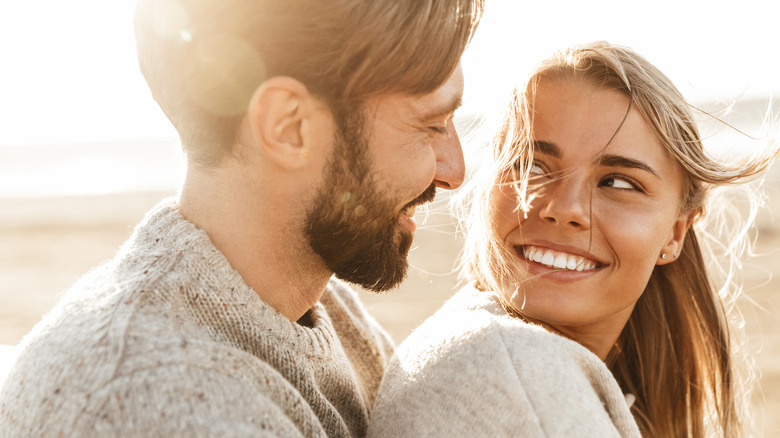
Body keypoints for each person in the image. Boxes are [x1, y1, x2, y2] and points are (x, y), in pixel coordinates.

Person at [0, 0, 483, 436]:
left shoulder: (318, 302)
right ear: (288, 127)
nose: (454, 171)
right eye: (432, 125)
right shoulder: (157, 404)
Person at [368, 42, 778, 437]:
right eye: (533, 166)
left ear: (675, 234)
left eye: (617, 182)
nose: (565, 209)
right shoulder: (512, 370)